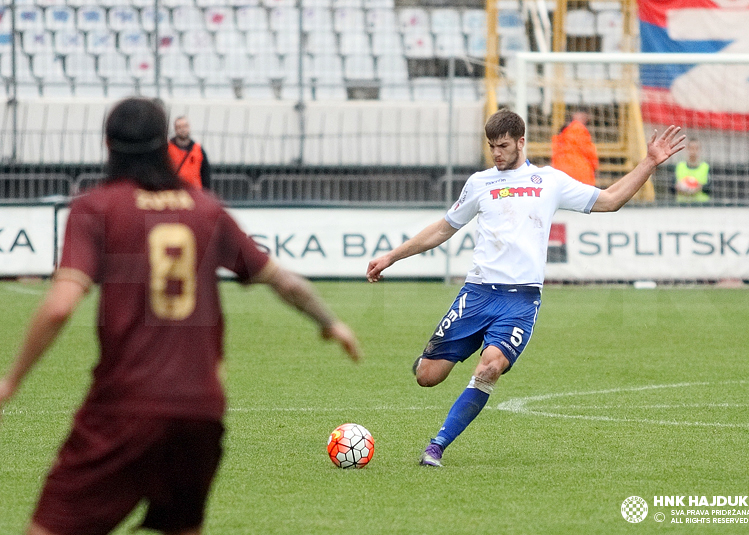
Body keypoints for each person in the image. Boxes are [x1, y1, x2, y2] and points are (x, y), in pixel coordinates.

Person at [0, 97, 362, 535]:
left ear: (108, 144)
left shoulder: (96, 208)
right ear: (163, 147)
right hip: (200, 410)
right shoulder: (206, 209)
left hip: (124, 407)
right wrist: (331, 323)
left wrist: (11, 380)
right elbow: (285, 282)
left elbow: (59, 305)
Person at [366, 109, 683, 467]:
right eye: (491, 147)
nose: (496, 154)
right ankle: (438, 356)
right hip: (477, 294)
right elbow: (443, 228)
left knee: (489, 369)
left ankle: (436, 446)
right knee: (428, 377)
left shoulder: (549, 181)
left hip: (520, 301)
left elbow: (610, 201)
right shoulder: (480, 183)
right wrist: (392, 257)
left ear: (520, 142)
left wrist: (650, 163)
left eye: (502, 146)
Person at [551, 108, 599, 186]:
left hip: (561, 172)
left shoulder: (562, 132)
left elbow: (555, 153)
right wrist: (595, 167)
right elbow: (589, 151)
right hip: (580, 173)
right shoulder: (579, 129)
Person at [168, 115, 211, 190]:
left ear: (189, 127)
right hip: (175, 193)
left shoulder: (198, 150)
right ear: (175, 129)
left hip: (194, 193)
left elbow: (205, 175)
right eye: (179, 127)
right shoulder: (167, 149)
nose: (183, 129)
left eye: (185, 126)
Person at [673, 138, 710, 203]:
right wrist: (678, 187)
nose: (693, 151)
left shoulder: (706, 167)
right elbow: (671, 187)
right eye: (691, 148)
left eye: (696, 148)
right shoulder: (679, 166)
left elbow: (711, 188)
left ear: (700, 150)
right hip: (682, 205)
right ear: (687, 150)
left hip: (701, 206)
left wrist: (699, 188)